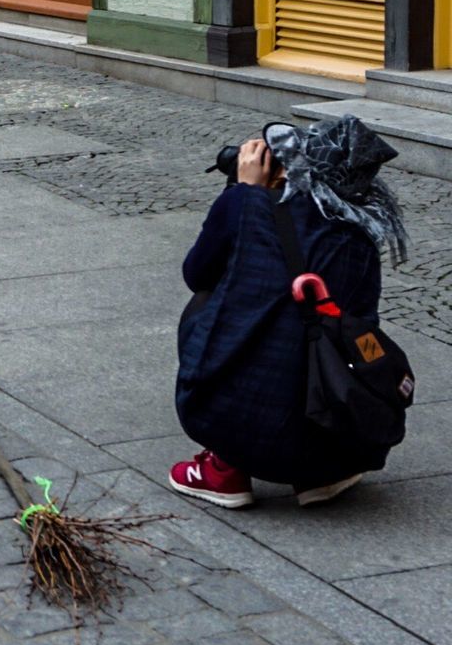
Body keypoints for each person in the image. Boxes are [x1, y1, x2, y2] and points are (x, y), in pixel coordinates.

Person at [171, 115, 408, 509]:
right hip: (337, 434)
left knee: (204, 304)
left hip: (234, 426)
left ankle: (225, 469)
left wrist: (244, 192)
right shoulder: (363, 230)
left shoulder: (246, 202)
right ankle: (319, 476)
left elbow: (196, 274)